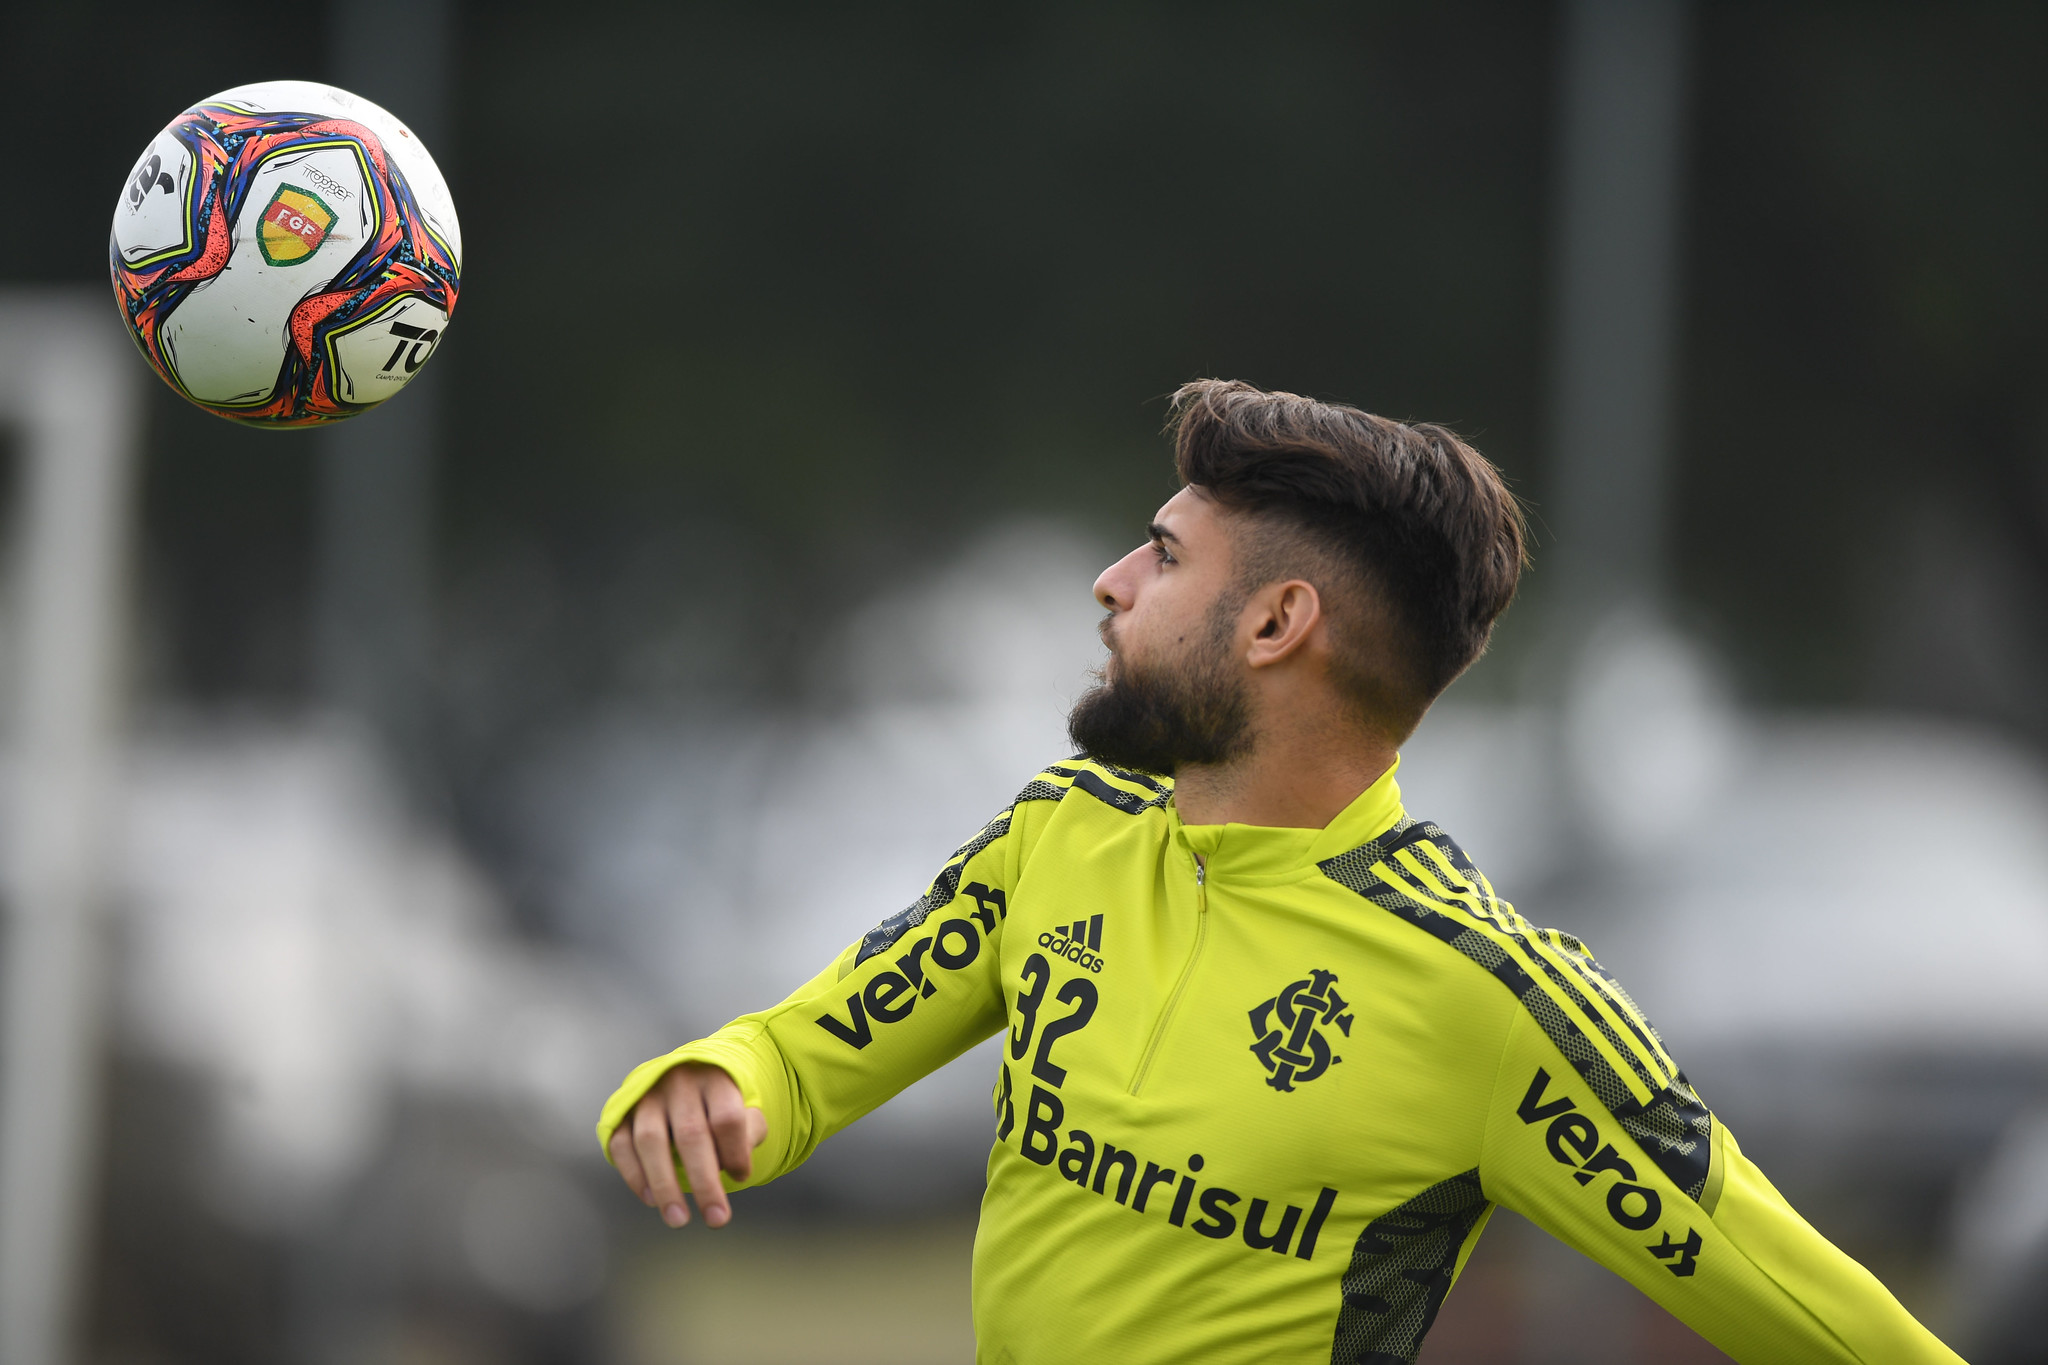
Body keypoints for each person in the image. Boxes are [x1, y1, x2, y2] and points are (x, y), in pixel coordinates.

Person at [597, 380, 1961, 1363]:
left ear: (1275, 623)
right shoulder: (1060, 835)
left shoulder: (1487, 998)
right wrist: (719, 1081)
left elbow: (1815, 1309)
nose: (1110, 582)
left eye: (1163, 555)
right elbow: (809, 1049)